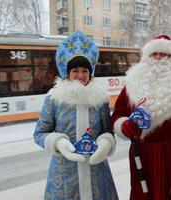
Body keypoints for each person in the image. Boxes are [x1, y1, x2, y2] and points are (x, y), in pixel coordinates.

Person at [111, 34, 171, 200]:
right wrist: (124, 126)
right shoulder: (133, 82)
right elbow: (118, 113)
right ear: (147, 57)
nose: (158, 58)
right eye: (154, 54)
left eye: (164, 54)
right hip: (143, 158)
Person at [33, 30, 118, 200]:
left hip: (97, 171)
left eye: (85, 71)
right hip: (65, 175)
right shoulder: (54, 98)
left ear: (90, 72)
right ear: (67, 72)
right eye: (75, 71)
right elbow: (39, 133)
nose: (80, 75)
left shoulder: (100, 99)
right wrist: (59, 143)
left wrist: (105, 144)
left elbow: (107, 131)